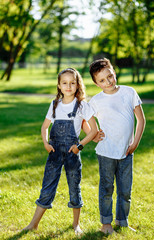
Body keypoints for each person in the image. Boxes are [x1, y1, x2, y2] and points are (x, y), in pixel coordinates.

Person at [22, 68, 98, 235]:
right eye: (65, 83)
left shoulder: (82, 106)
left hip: (72, 152)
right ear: (59, 85)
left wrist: (80, 146)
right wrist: (45, 143)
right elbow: (44, 127)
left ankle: (76, 225)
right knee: (47, 186)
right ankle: (33, 224)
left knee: (74, 186)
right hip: (54, 152)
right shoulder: (54, 104)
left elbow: (93, 130)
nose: (68, 86)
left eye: (72, 83)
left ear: (78, 85)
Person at [88, 58, 146, 234]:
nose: (108, 82)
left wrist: (135, 143)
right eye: (102, 80)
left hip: (127, 151)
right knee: (106, 189)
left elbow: (141, 119)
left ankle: (122, 221)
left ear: (114, 72)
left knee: (125, 190)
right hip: (106, 152)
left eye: (110, 76)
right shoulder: (96, 101)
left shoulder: (129, 92)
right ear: (97, 84)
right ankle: (106, 224)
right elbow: (85, 120)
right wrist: (93, 135)